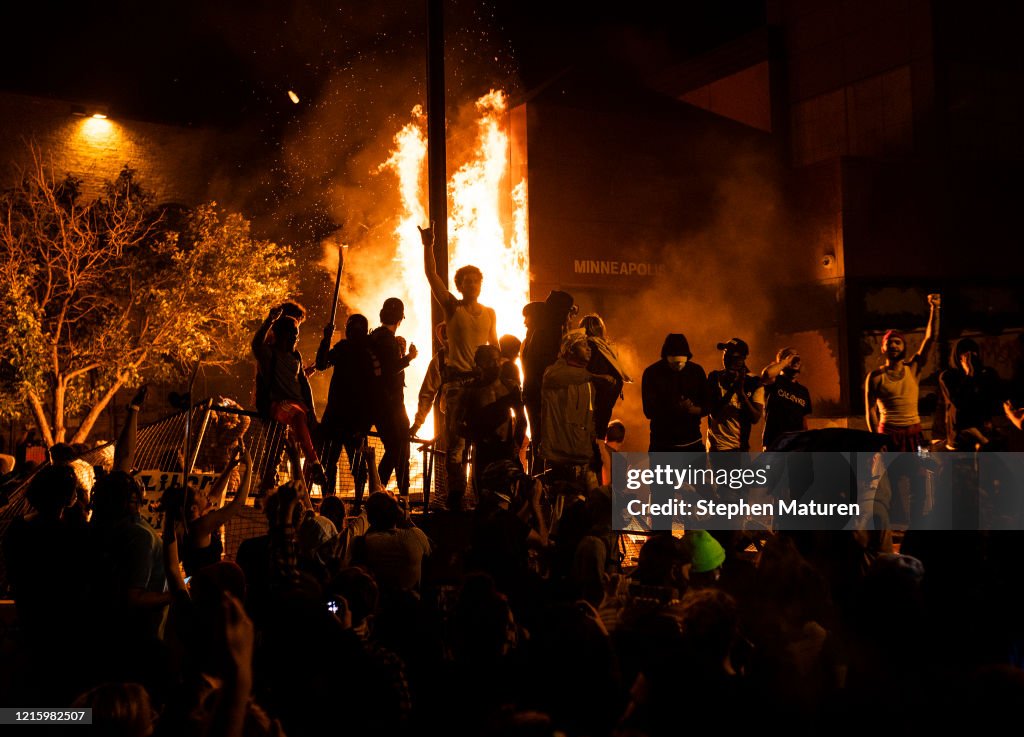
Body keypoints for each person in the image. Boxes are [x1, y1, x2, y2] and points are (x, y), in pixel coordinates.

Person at [420, 223, 498, 510]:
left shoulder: (490, 313)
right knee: (456, 447)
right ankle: (456, 498)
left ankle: (481, 496)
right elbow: (431, 275)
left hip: (481, 387)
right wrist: (428, 246)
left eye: (477, 281)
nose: (473, 285)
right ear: (460, 286)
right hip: (456, 387)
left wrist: (495, 376)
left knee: (483, 445)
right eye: (467, 281)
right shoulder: (453, 308)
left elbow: (496, 348)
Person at [252, 306, 327, 489]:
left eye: (297, 334)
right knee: (275, 446)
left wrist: (312, 411)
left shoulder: (296, 356)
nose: (295, 337)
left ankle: (308, 472)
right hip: (277, 406)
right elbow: (256, 345)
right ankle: (271, 484)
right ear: (280, 334)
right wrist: (269, 321)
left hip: (296, 406)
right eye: (292, 333)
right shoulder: (269, 354)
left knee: (290, 438)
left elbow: (302, 382)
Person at [316, 313, 383, 504]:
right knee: (332, 463)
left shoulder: (367, 354)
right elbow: (321, 364)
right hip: (339, 418)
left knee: (356, 465)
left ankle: (357, 502)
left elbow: (374, 393)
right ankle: (330, 500)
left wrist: (364, 425)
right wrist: (326, 340)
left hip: (351, 420)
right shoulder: (344, 349)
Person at [161, 442, 253, 579]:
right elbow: (237, 503)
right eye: (199, 493)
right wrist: (249, 467)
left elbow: (215, 495)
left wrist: (231, 466)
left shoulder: (186, 523)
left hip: (202, 582)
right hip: (209, 586)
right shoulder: (200, 527)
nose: (204, 493)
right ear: (193, 508)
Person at [865, 294, 941, 450]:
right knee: (888, 473)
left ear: (904, 347)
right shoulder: (875, 377)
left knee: (923, 471)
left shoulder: (913, 369)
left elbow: (931, 338)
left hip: (915, 434)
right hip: (889, 435)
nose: (893, 345)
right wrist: (877, 441)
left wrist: (935, 308)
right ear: (883, 348)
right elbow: (871, 411)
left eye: (897, 342)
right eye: (889, 343)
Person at [369, 297, 418, 497]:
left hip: (379, 404)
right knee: (400, 448)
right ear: (400, 319)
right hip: (392, 405)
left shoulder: (373, 337)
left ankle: (378, 490)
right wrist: (408, 358)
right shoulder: (387, 340)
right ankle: (396, 493)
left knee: (394, 448)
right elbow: (390, 371)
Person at [460, 345, 528, 485]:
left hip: (507, 450)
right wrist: (479, 437)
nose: (496, 365)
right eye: (491, 361)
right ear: (480, 364)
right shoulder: (471, 391)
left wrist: (515, 445)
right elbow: (458, 425)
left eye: (497, 360)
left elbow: (522, 419)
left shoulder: (509, 388)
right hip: (484, 452)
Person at [642, 333, 707, 452]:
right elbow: (648, 411)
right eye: (674, 362)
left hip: (691, 444)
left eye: (682, 362)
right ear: (666, 357)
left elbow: (708, 405)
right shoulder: (652, 373)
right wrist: (677, 407)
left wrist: (693, 409)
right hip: (663, 445)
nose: (679, 366)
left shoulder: (696, 372)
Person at [939, 338, 1002, 450]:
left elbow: (990, 399)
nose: (970, 357)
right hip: (960, 434)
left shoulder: (984, 374)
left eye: (973, 352)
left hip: (982, 430)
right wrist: (968, 374)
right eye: (965, 353)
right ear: (957, 355)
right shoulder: (947, 376)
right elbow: (959, 402)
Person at [707, 338, 764, 453]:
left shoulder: (753, 382)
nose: (724, 357)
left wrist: (741, 394)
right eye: (724, 353)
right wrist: (732, 390)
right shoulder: (714, 377)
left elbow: (755, 417)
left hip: (739, 450)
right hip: (716, 449)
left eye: (729, 354)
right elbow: (715, 413)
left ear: (742, 359)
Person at [579, 314, 631, 439]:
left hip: (593, 404)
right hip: (605, 402)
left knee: (591, 439)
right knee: (599, 437)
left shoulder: (587, 348)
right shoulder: (607, 348)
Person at [760, 347, 813, 450]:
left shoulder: (803, 390)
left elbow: (804, 421)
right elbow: (767, 374)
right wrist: (786, 362)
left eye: (797, 357)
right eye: (790, 356)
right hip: (775, 442)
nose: (795, 359)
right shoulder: (775, 381)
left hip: (795, 444)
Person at [410, 321, 449, 441]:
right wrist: (417, 423)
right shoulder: (440, 359)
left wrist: (417, 424)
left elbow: (428, 392)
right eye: (445, 335)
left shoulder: (475, 355)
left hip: (473, 417)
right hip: (452, 418)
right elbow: (428, 393)